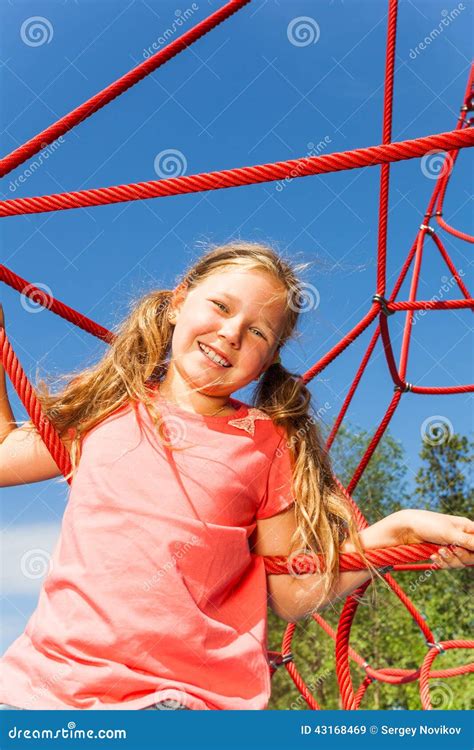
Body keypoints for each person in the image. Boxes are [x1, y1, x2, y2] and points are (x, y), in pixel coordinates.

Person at [0, 241, 472, 711]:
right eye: (220, 306)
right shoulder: (106, 409)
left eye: (258, 332)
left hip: (176, 698)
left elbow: (290, 590)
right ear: (178, 302)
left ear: (267, 361)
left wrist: (397, 530)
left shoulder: (264, 443)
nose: (231, 333)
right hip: (43, 688)